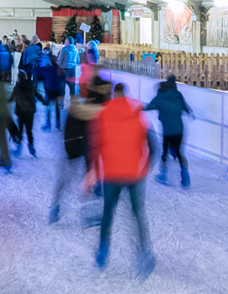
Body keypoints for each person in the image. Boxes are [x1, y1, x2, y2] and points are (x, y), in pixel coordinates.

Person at [93, 82, 155, 279]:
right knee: (137, 213)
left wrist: (94, 171)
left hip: (111, 172)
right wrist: (146, 167)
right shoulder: (138, 114)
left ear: (114, 95)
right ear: (126, 95)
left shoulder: (103, 114)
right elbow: (153, 144)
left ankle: (103, 250)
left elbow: (95, 144)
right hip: (135, 174)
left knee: (108, 212)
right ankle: (144, 252)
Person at [49, 81, 104, 224]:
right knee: (83, 182)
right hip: (82, 150)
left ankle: (55, 208)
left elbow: (67, 132)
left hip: (74, 150)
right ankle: (85, 214)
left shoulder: (74, 108)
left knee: (66, 181)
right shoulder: (91, 111)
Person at [142, 74, 193, 186]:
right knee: (179, 152)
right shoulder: (177, 95)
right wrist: (190, 113)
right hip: (179, 129)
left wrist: (136, 108)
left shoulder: (160, 98)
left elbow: (148, 107)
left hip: (167, 131)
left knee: (164, 151)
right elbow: (184, 106)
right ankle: (185, 173)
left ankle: (163, 174)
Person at [10, 67, 40, 158]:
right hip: (30, 112)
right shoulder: (31, 86)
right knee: (29, 131)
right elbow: (37, 95)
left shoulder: (17, 88)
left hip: (21, 112)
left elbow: (11, 99)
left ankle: (18, 148)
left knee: (20, 130)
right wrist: (44, 101)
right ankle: (31, 147)